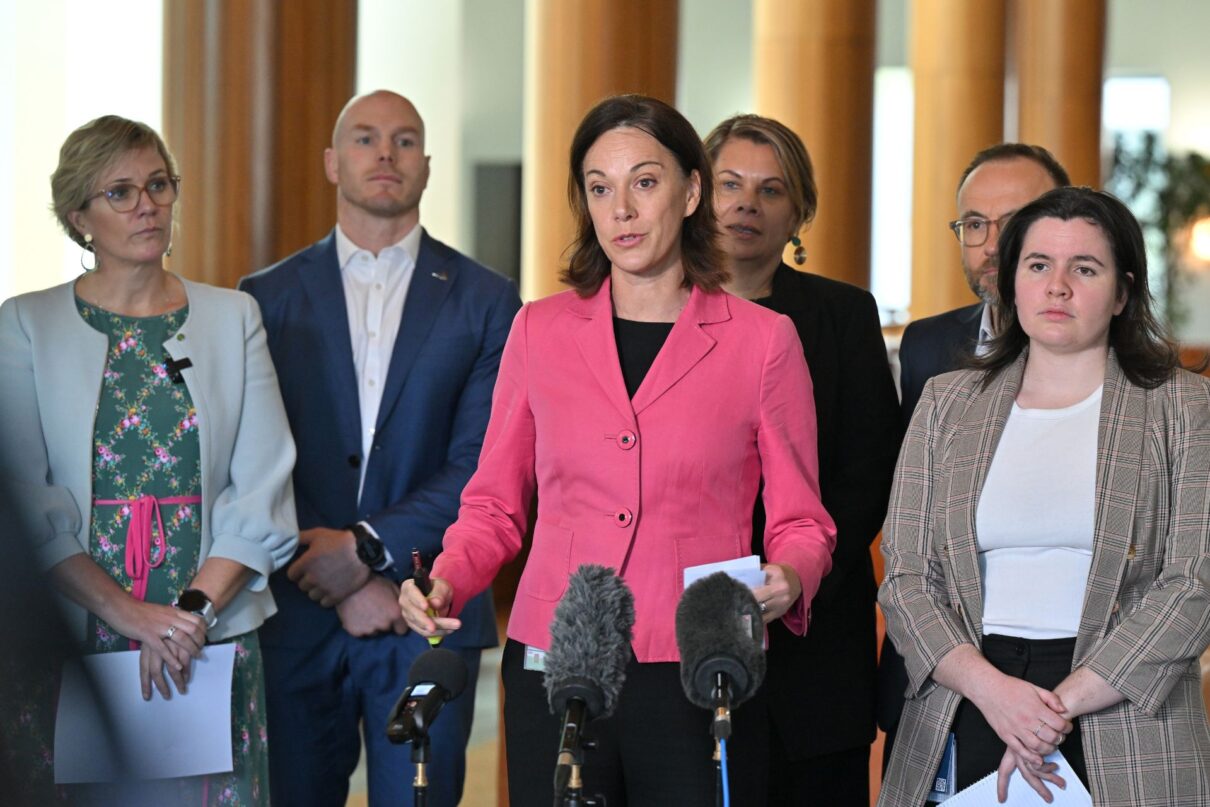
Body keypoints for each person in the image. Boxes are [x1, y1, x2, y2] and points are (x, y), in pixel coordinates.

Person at [399, 94, 837, 806]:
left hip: (698, 660)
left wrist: (791, 573)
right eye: (600, 188)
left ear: (692, 190)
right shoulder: (538, 330)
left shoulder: (762, 340)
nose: (621, 210)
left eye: (644, 181)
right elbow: (494, 504)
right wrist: (449, 576)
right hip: (556, 655)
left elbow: (803, 521)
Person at [878, 186, 1210, 806]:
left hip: (1125, 700)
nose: (1057, 286)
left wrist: (1060, 705)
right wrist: (999, 695)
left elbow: (1195, 580)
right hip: (971, 693)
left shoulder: (1183, 406)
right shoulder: (948, 403)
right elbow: (906, 577)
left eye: (1084, 268)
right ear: (1010, 283)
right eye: (1038, 266)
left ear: (1122, 292)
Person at [0, 115, 298, 805]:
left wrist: (186, 615)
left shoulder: (234, 317)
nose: (148, 205)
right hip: (73, 623)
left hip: (208, 625)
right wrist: (130, 614)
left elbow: (261, 487)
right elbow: (22, 498)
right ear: (79, 217)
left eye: (159, 185)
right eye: (122, 192)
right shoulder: (24, 325)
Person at [239, 90, 520, 807]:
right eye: (365, 139)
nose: (386, 154)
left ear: (427, 166)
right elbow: (253, 458)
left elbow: (482, 464)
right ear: (334, 162)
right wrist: (334, 576)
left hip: (430, 604)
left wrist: (365, 553)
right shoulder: (262, 298)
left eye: (404, 141)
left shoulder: (489, 300)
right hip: (296, 613)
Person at [704, 113, 902, 805]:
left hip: (815, 632)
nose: (746, 205)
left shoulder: (843, 316)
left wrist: (796, 570)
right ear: (698, 193)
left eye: (770, 189)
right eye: (729, 184)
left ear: (799, 212)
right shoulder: (657, 312)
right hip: (687, 618)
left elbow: (869, 467)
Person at [879, 143, 1070, 766]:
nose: (992, 244)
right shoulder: (930, 347)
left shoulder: (1131, 373)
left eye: (1014, 223)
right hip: (952, 664)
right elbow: (915, 524)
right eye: (974, 225)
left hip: (1074, 669)